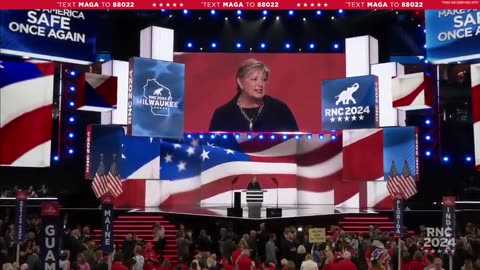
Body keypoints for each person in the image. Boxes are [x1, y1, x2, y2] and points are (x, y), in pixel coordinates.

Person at [209, 59, 299, 132]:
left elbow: (295, 144)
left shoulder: (280, 110)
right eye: (254, 79)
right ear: (240, 82)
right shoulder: (223, 114)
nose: (260, 84)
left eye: (264, 79)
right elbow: (214, 150)